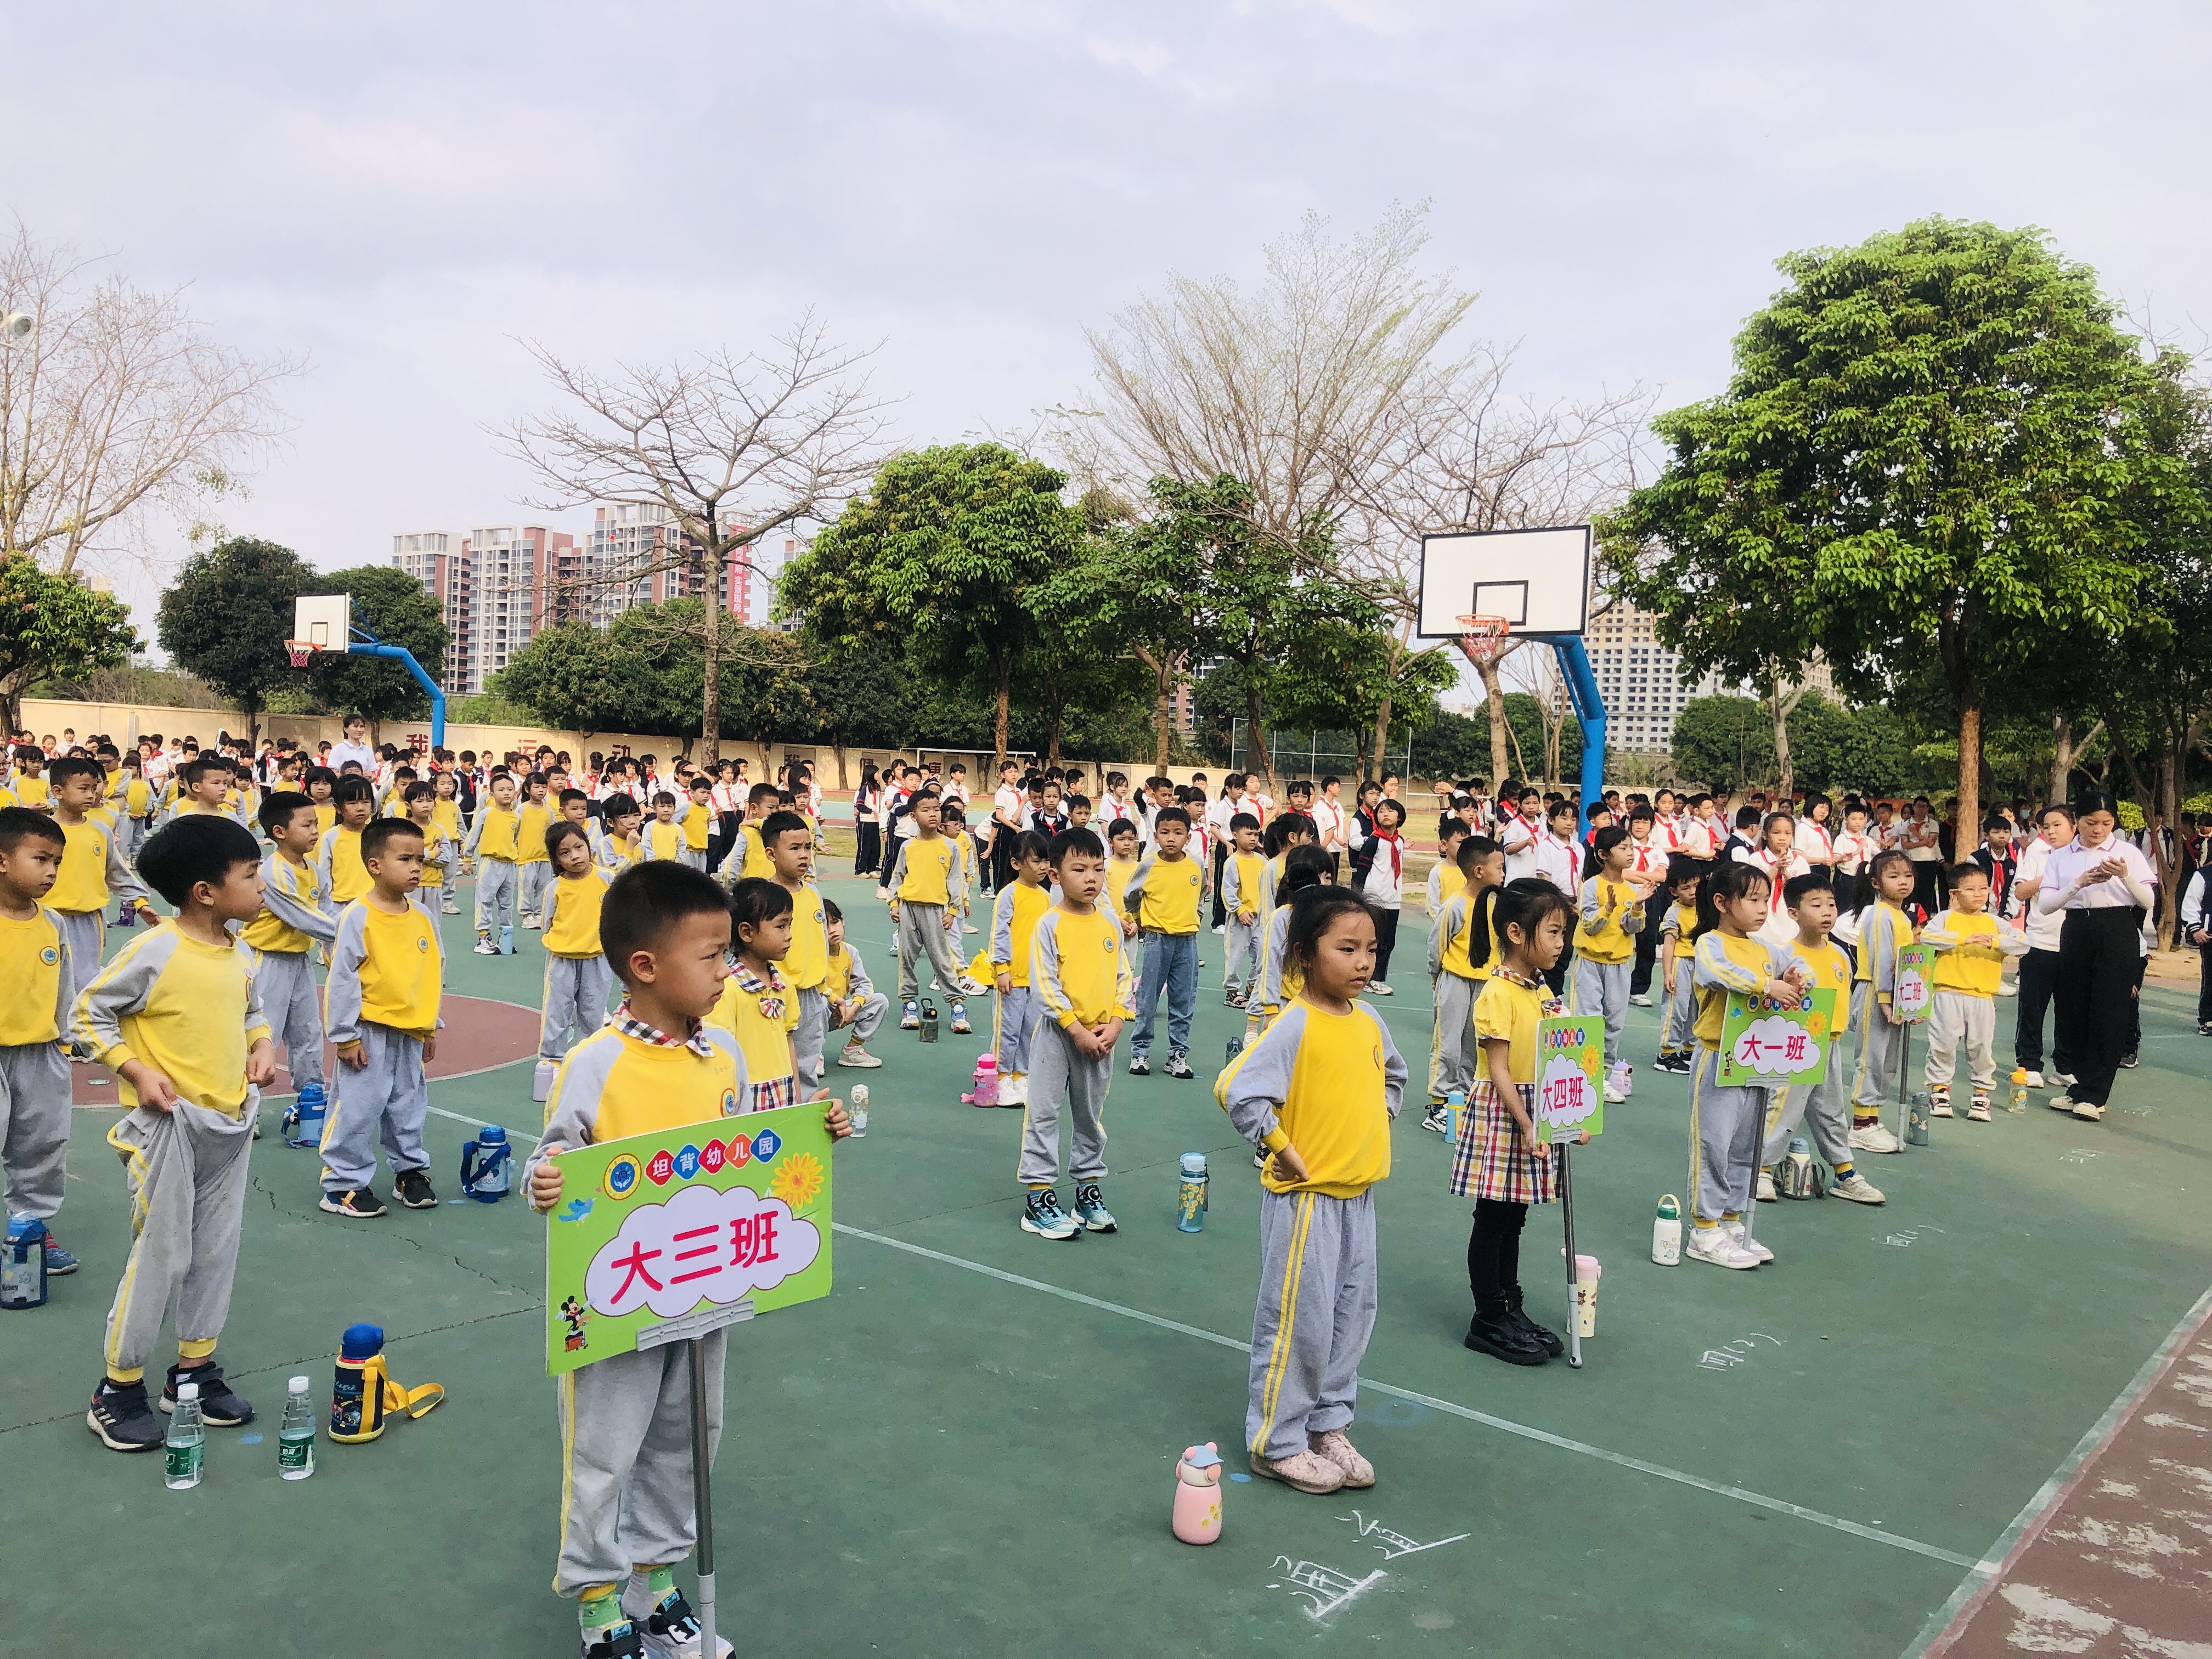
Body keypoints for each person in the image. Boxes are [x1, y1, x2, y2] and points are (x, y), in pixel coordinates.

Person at [528, 861, 849, 1658]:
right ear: (645, 966)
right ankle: (600, 1598)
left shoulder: (724, 1059)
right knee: (603, 1448)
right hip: (616, 1304)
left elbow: (745, 1157)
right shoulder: (596, 1064)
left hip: (703, 1293)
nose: (725, 971)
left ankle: (656, 1581)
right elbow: (561, 1163)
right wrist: (545, 1178)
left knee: (688, 1439)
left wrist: (817, 1128)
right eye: (709, 956)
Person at [77, 814, 276, 1452]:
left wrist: (261, 1043)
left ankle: (193, 1372)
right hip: (167, 1128)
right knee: (163, 1253)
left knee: (216, 1250)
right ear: (205, 891)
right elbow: (89, 1013)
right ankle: (119, 1388)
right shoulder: (156, 949)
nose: (262, 884)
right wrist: (135, 1068)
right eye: (251, 875)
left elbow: (251, 1009)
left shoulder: (240, 950)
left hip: (230, 1123)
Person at [1217, 886, 1407, 1493]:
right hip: (1308, 1203)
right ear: (1303, 955)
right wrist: (1281, 1146)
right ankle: (1278, 1440)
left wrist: (1375, 1119)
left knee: (1351, 1317)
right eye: (1346, 948)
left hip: (1359, 1197)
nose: (1362, 962)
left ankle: (1328, 1423)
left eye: (1370, 949)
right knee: (1299, 1320)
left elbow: (1394, 1075)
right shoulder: (1294, 1024)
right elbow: (1237, 1088)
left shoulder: (1369, 1019)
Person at [1454, 878, 1583, 1364]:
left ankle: (1512, 1306)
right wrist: (1528, 1124)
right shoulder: (1497, 994)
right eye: (1553, 932)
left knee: (1516, 1217)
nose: (1560, 943)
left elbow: (1566, 1049)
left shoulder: (1540, 989)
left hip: (1535, 1110)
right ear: (1515, 932)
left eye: (1563, 933)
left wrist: (1574, 1115)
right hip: (1506, 1112)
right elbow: (1499, 1069)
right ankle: (1488, 1316)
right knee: (1493, 1219)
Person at [1684, 860, 1809, 1269]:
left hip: (1755, 1059)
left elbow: (1796, 963)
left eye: (1765, 900)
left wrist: (1796, 975)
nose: (1761, 909)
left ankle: (1732, 1220)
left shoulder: (1765, 949)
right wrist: (1765, 983)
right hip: (1719, 1056)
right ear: (1721, 902)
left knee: (1746, 1144)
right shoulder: (1710, 943)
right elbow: (1717, 972)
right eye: (1753, 900)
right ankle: (1704, 1229)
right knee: (1713, 1144)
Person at [318, 817, 442, 1219]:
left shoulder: (423, 916)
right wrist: (344, 1035)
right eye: (404, 859)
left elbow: (432, 973)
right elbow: (342, 980)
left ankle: (409, 1170)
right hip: (367, 1032)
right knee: (357, 1106)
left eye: (420, 860)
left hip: (410, 1031)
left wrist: (429, 1026)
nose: (415, 868)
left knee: (409, 1104)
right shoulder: (357, 917)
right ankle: (342, 1184)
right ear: (374, 864)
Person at [1017, 828, 1133, 1241]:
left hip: (1101, 1039)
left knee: (1090, 1117)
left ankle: (1086, 1191)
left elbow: (1123, 976)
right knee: (1044, 1113)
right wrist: (1076, 1028)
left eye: (1098, 870)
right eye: (1079, 868)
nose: (1091, 878)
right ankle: (1039, 1197)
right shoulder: (1049, 925)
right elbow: (1045, 984)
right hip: (1057, 1036)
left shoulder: (1110, 926)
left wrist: (1117, 1022)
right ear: (1054, 874)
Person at [1757, 874, 1884, 1205]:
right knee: (1782, 1108)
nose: (1827, 911)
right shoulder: (1783, 955)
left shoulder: (1841, 956)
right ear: (1793, 913)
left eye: (1831, 904)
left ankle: (1845, 1173)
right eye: (1816, 905)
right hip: (1794, 1045)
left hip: (1828, 1045)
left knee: (1831, 1111)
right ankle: (1761, 1171)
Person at [2040, 791, 2157, 1123]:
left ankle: (2096, 1094)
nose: (2099, 830)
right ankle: (2078, 1087)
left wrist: (2124, 874)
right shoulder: (2062, 857)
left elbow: (2147, 902)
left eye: (2107, 824)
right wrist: (2078, 883)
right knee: (2073, 1008)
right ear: (2078, 820)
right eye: (2092, 823)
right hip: (2076, 928)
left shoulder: (2127, 853)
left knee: (2108, 1009)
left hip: (2117, 929)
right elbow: (2048, 905)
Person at [0, 808, 81, 1280]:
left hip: (40, 1054)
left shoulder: (53, 923)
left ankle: (29, 1225)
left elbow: (64, 988)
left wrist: (67, 1042)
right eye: (41, 859)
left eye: (57, 861)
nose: (51, 871)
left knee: (43, 1144)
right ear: (4, 861)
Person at [241, 791, 339, 1121]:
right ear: (279, 832)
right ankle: (245, 1109)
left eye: (316, 824)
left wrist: (335, 953)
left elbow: (324, 911)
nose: (315, 831)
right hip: (268, 961)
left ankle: (311, 1100)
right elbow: (304, 917)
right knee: (261, 1033)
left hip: (298, 960)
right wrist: (355, 937)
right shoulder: (273, 873)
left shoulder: (311, 868)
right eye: (307, 824)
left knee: (308, 1031)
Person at [46, 755, 158, 1006]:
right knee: (46, 977)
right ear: (58, 791)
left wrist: (140, 902)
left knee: (85, 980)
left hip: (89, 919)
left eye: (94, 787)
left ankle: (77, 1038)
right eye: (83, 788)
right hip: (47, 916)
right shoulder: (42, 831)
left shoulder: (101, 832)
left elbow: (116, 873)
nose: (91, 794)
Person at [1920, 862, 2026, 1121]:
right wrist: (1961, 939)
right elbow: (1927, 938)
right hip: (1947, 993)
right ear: (1954, 894)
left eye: (1983, 889)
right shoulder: (1945, 919)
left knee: (1980, 1046)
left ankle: (1981, 1093)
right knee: (1943, 1043)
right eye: (1970, 889)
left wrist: (1996, 942)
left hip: (1981, 996)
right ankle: (1940, 1090)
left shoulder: (1995, 923)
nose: (1979, 894)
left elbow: (2023, 945)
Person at [708, 878, 806, 1114]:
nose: (789, 935)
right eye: (781, 926)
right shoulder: (727, 988)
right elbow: (721, 1052)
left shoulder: (784, 985)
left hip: (784, 1091)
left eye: (789, 925)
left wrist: (797, 1096)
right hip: (744, 1097)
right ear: (746, 932)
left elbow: (788, 1039)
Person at [1425, 836, 1504, 1129]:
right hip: (1455, 981)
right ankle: (1438, 1104)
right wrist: (1437, 976)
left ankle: (1465, 1098)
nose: (1503, 873)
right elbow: (1437, 946)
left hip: (1486, 985)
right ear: (1479, 871)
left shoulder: (1496, 905)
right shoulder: (1454, 906)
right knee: (1448, 1045)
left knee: (1474, 1045)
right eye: (1499, 867)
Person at [1123, 805, 1206, 1079]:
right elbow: (1130, 895)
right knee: (1147, 997)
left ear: (1188, 836)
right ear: (1156, 836)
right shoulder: (1148, 865)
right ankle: (1141, 1051)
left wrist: (1197, 916)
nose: (1171, 838)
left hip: (1187, 941)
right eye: (1165, 832)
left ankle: (1178, 1054)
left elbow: (1202, 893)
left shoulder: (1195, 865)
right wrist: (1139, 920)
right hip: (1157, 939)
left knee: (1184, 999)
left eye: (1178, 833)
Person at [882, 792, 977, 1029]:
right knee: (907, 959)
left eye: (936, 809)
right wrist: (894, 905)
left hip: (937, 911)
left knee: (943, 960)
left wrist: (953, 911)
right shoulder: (908, 847)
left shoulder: (950, 846)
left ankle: (957, 1006)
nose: (933, 814)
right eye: (926, 810)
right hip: (909, 910)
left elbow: (956, 881)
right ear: (914, 816)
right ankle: (910, 1005)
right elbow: (897, 878)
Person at [1846, 850, 1918, 1153]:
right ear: (1876, 882)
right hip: (1875, 993)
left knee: (1888, 1060)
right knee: (1871, 1059)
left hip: (1894, 996)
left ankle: (1873, 1119)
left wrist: (1912, 1001)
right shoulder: (1879, 914)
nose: (1903, 882)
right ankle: (1860, 1125)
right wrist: (1887, 1000)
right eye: (1894, 876)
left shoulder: (1900, 915)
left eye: (1908, 876)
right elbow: (1881, 960)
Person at [1572, 827, 1649, 1103]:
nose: (1630, 852)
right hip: (1591, 963)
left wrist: (1637, 907)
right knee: (1589, 1020)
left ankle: (1600, 1077)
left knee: (1614, 1023)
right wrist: (1608, 909)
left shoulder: (1631, 890)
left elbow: (1633, 928)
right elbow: (1590, 926)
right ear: (1603, 855)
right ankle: (1584, 1078)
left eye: (1631, 847)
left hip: (1619, 965)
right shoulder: (1591, 886)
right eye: (1623, 848)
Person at [759, 810, 832, 1090]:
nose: (804, 855)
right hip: (775, 994)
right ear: (771, 853)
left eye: (808, 848)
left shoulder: (813, 894)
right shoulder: (765, 898)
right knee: (773, 1060)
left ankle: (803, 1110)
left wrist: (826, 991)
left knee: (806, 1063)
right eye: (794, 848)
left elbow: (821, 944)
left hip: (811, 997)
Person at [539, 822, 617, 1073]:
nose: (574, 856)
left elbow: (619, 913)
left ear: (588, 847)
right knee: (557, 1011)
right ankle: (552, 1059)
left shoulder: (607, 879)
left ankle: (590, 1057)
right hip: (562, 959)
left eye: (578, 847)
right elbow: (547, 923)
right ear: (557, 860)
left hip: (598, 957)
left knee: (594, 1012)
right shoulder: (555, 888)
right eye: (565, 853)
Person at [989, 830, 1054, 1110]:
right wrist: (1001, 968)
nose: (1043, 867)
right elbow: (1000, 932)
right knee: (1008, 1030)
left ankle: (1022, 1076)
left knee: (1031, 1029)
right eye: (1036, 861)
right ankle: (1000, 1077)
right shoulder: (1009, 894)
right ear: (1017, 864)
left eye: (1045, 861)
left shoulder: (1045, 896)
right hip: (1012, 977)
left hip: (1036, 978)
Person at [1652, 861, 1707, 1074]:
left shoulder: (1704, 908)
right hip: (1680, 962)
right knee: (1677, 1008)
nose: (1693, 892)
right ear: (1674, 891)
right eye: (1686, 888)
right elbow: (1669, 944)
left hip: (1699, 963)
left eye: (1696, 886)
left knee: (1696, 1007)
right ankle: (1666, 1053)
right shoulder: (1674, 913)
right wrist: (1667, 973)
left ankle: (1689, 1048)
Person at [1347, 796, 1407, 993]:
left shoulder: (1400, 842)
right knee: (1374, 940)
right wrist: (1358, 895)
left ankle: (1376, 978)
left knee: (1390, 941)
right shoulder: (1374, 841)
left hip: (1393, 898)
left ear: (1400, 817)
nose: (1385, 814)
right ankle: (1372, 979)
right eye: (1381, 811)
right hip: (1375, 897)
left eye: (1390, 811)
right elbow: (1362, 868)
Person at [823, 899, 888, 1068]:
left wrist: (855, 1006)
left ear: (843, 921)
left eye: (835, 922)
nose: (832, 930)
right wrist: (836, 1001)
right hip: (817, 1012)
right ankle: (814, 1054)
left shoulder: (850, 952)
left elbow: (864, 985)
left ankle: (852, 1050)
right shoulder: (815, 955)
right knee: (820, 1002)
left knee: (880, 1001)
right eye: (825, 926)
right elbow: (814, 988)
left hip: (841, 1011)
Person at [1220, 812, 1266, 1009]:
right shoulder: (1233, 862)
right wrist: (1239, 910)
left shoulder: (1262, 861)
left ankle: (1253, 987)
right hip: (1240, 919)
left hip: (1260, 918)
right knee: (1235, 955)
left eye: (1256, 834)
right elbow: (1228, 890)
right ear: (1235, 835)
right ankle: (1232, 991)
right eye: (1249, 834)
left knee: (1262, 954)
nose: (1253, 838)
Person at [516, 773, 555, 927]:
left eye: (544, 787)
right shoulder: (521, 810)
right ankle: (526, 914)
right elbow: (515, 832)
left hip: (545, 857)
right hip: (526, 857)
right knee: (526, 887)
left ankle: (539, 913)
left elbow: (552, 831)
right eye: (536, 787)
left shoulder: (548, 811)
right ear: (527, 789)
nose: (541, 790)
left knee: (543, 888)